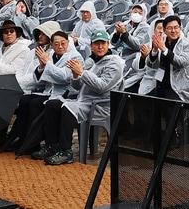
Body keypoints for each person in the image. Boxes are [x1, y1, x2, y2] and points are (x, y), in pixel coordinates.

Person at [33, 29, 124, 166]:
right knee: (52, 104)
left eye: (103, 43)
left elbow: (102, 87)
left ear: (108, 44)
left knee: (68, 108)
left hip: (101, 105)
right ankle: (52, 146)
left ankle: (66, 151)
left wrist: (81, 72)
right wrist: (75, 76)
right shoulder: (92, 61)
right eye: (96, 44)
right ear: (91, 46)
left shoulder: (115, 63)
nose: (100, 47)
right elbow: (77, 86)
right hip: (84, 101)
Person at [12, 29, 76, 155]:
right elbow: (39, 80)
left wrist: (48, 64)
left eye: (63, 43)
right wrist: (41, 67)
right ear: (52, 45)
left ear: (68, 43)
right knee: (25, 100)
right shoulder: (51, 55)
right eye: (56, 44)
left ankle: (44, 143)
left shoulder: (74, 56)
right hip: (48, 91)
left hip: (63, 94)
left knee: (37, 103)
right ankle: (25, 139)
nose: (60, 46)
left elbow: (64, 78)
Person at [142, 15, 189, 102]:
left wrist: (164, 49)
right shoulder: (162, 41)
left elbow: (181, 63)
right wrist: (154, 49)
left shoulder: (188, 45)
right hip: (161, 82)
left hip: (180, 87)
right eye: (169, 28)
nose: (173, 31)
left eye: (176, 27)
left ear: (180, 28)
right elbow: (151, 65)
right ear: (164, 30)